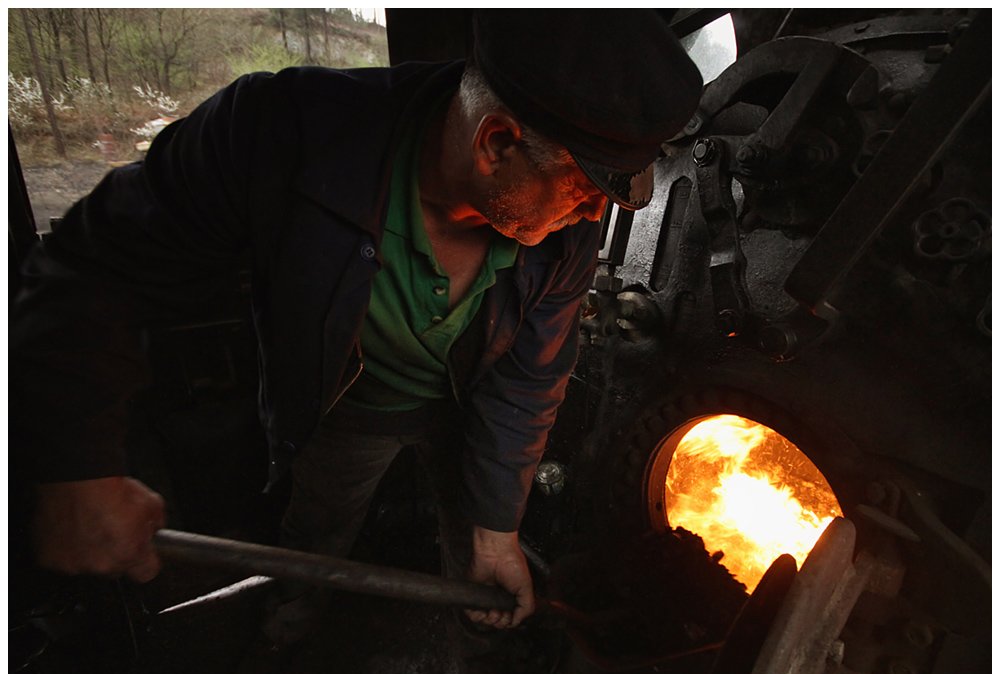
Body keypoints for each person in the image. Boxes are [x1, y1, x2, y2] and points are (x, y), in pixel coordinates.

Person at [11, 10, 702, 636]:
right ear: (496, 144)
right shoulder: (282, 133)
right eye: (583, 191)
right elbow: (93, 266)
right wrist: (78, 466)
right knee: (319, 528)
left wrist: (497, 530)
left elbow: (529, 378)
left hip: (468, 408)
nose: (591, 216)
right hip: (349, 410)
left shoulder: (562, 226)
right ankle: (295, 618)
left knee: (476, 545)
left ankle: (477, 659)